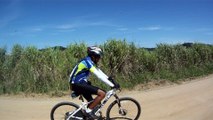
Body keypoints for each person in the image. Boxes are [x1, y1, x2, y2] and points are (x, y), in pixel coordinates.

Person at [69, 46, 117, 118]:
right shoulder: (87, 62)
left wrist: (110, 79)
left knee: (94, 102)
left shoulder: (89, 61)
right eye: (98, 56)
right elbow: (99, 76)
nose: (99, 58)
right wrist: (112, 85)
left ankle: (87, 114)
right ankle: (88, 112)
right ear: (93, 56)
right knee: (102, 94)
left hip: (80, 83)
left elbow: (99, 71)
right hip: (77, 84)